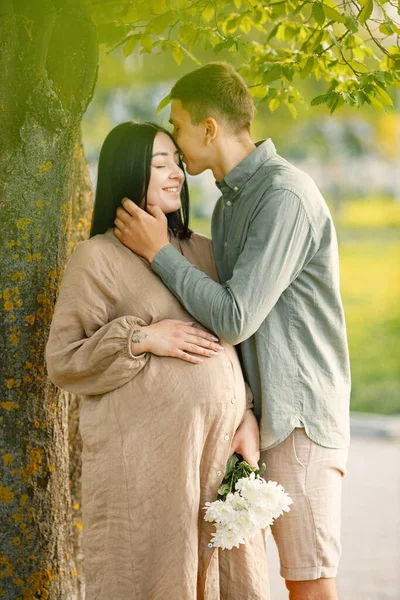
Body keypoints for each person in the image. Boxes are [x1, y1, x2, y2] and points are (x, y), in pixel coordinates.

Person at [114, 63, 351, 600]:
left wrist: (157, 253)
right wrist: (246, 411)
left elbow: (236, 315)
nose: (175, 142)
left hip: (299, 420)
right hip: (261, 421)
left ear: (209, 129)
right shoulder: (228, 206)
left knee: (309, 583)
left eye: (177, 127)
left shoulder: (284, 197)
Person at [45, 121, 270, 600]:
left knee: (226, 580)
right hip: (149, 470)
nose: (176, 173)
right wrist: (144, 338)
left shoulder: (204, 251)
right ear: (128, 172)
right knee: (154, 577)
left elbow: (235, 340)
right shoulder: (96, 258)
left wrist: (247, 411)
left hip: (218, 458)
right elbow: (63, 359)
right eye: (158, 163)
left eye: (177, 161)